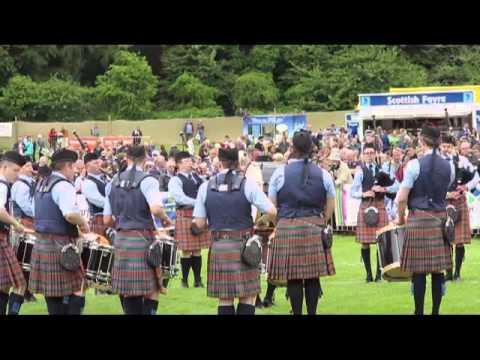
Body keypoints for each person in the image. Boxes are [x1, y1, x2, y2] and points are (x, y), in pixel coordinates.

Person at [192, 147, 276, 315]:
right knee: (247, 296)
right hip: (244, 246)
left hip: (219, 246)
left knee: (225, 297)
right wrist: (261, 221)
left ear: (219, 162)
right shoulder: (248, 184)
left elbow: (199, 223)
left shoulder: (205, 186)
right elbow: (272, 211)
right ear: (238, 163)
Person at [267, 131, 335, 315]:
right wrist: (321, 222)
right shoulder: (323, 174)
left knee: (294, 277)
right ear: (312, 149)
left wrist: (281, 223)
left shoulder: (280, 173)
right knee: (313, 276)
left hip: (287, 227)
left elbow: (271, 208)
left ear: (292, 148)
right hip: (315, 227)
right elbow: (330, 207)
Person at [104, 145, 173, 315]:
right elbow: (156, 209)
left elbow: (107, 220)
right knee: (152, 287)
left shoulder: (112, 181)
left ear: (126, 158)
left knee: (127, 287)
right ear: (145, 159)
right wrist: (166, 218)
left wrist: (124, 225)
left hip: (121, 239)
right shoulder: (148, 180)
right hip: (142, 239)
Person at [395, 125, 454, 315]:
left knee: (419, 271)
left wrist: (400, 218)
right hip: (440, 220)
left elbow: (402, 198)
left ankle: (418, 311)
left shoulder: (414, 164)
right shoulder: (449, 165)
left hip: (419, 219)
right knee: (438, 271)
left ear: (422, 141)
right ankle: (435, 312)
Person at [29, 149, 90, 315]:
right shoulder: (63, 186)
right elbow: (69, 214)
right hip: (60, 244)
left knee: (52, 292)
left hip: (43, 243)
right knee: (77, 288)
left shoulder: (41, 183)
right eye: (74, 168)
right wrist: (84, 223)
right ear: (68, 166)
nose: (75, 172)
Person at [439, 135, 479, 281]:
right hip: (443, 202)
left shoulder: (462, 161)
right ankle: (448, 273)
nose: (445, 148)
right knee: (446, 239)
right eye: (443, 146)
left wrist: (465, 187)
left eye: (448, 146)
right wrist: (446, 193)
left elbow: (476, 177)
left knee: (459, 240)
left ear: (453, 147)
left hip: (459, 200)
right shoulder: (436, 163)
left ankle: (457, 273)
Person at [168, 152, 210, 288]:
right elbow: (180, 198)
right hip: (185, 214)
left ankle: (198, 280)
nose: (190, 163)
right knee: (186, 250)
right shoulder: (175, 180)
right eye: (186, 161)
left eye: (190, 161)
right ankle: (184, 280)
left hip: (199, 215)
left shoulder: (197, 177)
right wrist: (198, 202)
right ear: (179, 164)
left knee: (197, 249)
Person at [0, 152, 34, 315]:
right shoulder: (2, 184)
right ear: (4, 167)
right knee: (20, 284)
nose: (18, 174)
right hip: (1, 239)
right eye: (15, 170)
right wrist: (16, 224)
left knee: (4, 285)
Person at [350, 143, 388, 282]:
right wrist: (363, 193)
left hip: (380, 204)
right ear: (363, 155)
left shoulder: (383, 169)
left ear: (376, 154)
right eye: (367, 153)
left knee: (381, 241)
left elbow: (394, 185)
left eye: (372, 152)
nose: (369, 155)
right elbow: (352, 192)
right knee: (365, 243)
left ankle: (379, 274)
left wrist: (385, 190)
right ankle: (368, 274)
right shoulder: (360, 171)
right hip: (366, 205)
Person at [82, 153, 108, 237]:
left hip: (109, 219)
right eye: (95, 163)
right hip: (99, 221)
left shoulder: (105, 178)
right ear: (87, 166)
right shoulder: (88, 183)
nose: (99, 165)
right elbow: (100, 202)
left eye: (99, 162)